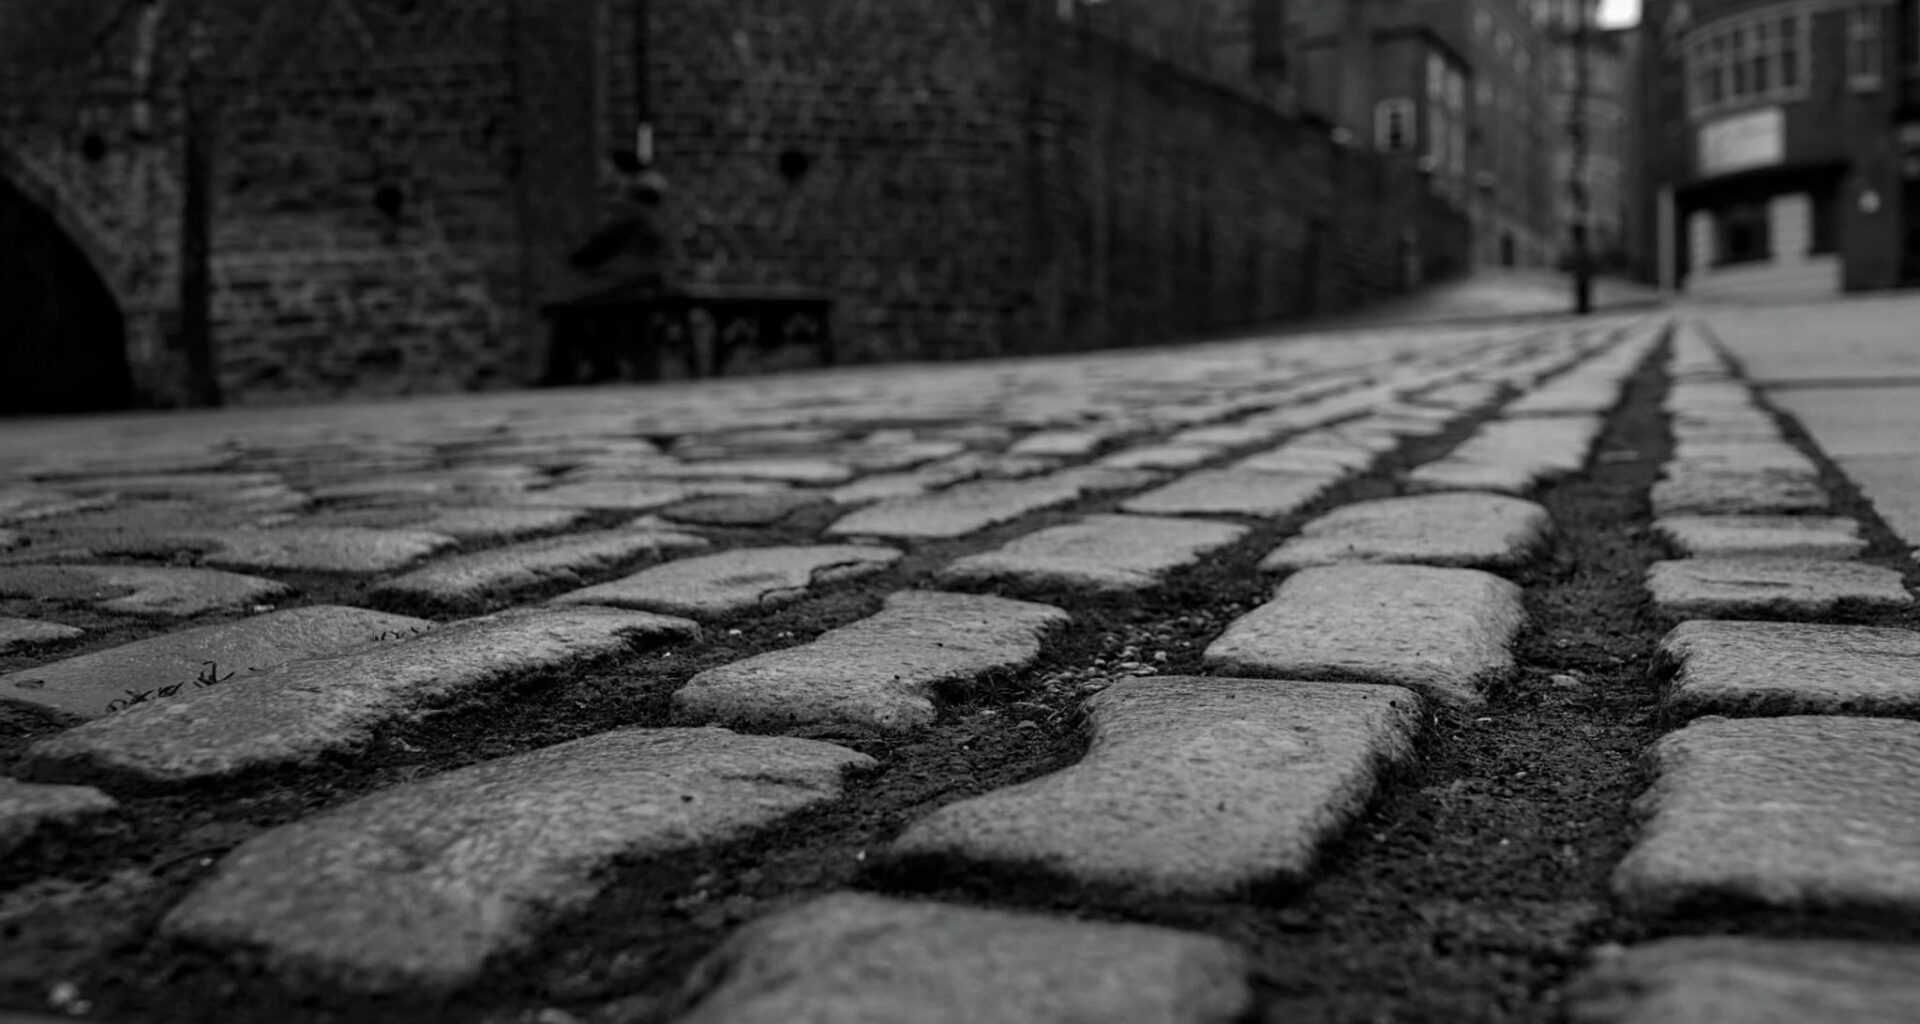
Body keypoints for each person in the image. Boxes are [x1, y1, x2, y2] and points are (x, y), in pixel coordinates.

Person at [547, 169, 671, 382]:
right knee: (579, 304)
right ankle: (599, 364)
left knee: (569, 306)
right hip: (639, 283)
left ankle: (573, 369)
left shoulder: (633, 216)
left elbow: (593, 251)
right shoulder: (652, 219)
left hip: (626, 284)